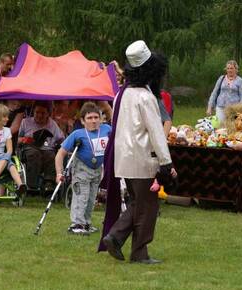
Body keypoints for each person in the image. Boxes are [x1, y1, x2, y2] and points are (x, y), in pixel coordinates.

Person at [100, 40, 177, 264]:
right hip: (143, 159)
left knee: (137, 203)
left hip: (123, 159)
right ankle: (136, 250)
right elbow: (156, 133)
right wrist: (167, 163)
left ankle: (117, 237)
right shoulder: (145, 97)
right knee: (147, 208)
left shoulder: (121, 95)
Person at [55, 102, 111, 235]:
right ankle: (77, 223)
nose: (93, 121)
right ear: (82, 120)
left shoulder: (107, 129)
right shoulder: (78, 134)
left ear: (101, 118)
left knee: (92, 198)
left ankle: (86, 222)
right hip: (82, 169)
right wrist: (59, 173)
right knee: (82, 195)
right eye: (89, 118)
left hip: (98, 170)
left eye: (96, 117)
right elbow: (60, 154)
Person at [18, 101, 65, 191]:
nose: (39, 115)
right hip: (30, 148)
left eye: (43, 113)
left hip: (47, 149)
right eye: (37, 112)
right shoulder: (25, 122)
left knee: (51, 156)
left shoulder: (52, 124)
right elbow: (15, 139)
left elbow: (61, 139)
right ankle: (31, 185)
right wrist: (24, 139)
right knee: (34, 154)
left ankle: (48, 183)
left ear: (48, 114)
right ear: (33, 112)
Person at [207, 60, 242, 126]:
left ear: (236, 69)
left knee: (231, 127)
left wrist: (239, 109)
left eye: (231, 68)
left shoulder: (240, 80)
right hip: (220, 107)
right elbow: (214, 93)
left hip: (233, 109)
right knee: (219, 126)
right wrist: (209, 107)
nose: (229, 70)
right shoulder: (221, 78)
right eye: (228, 68)